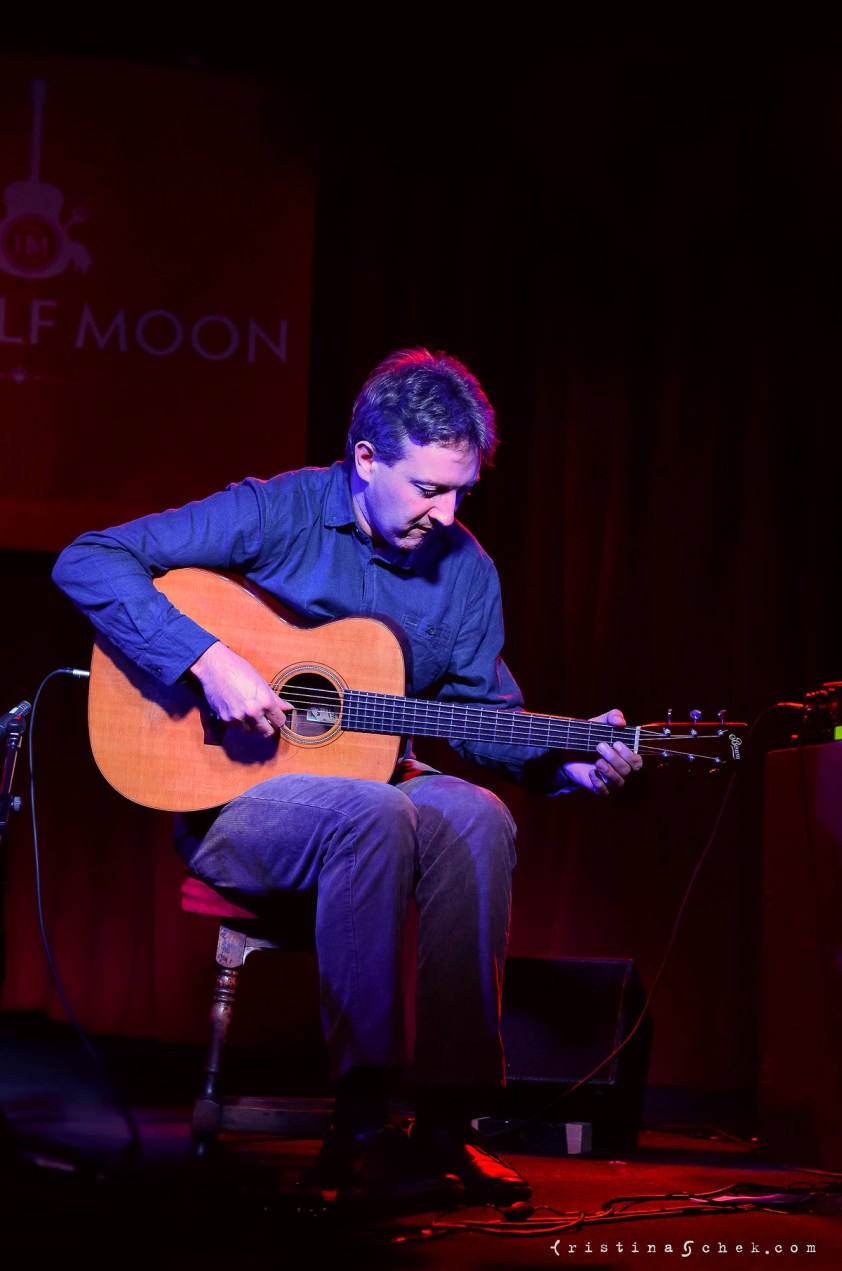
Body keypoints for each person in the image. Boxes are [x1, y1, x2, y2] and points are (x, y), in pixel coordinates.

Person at [52, 347, 643, 1208]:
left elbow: (481, 717)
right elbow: (89, 557)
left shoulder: (466, 571)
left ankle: (447, 1124)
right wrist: (206, 658)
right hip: (234, 803)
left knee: (475, 814)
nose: (447, 513)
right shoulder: (278, 510)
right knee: (374, 811)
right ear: (366, 458)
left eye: (462, 492)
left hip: (375, 787)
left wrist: (566, 756)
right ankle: (361, 1125)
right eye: (429, 488)